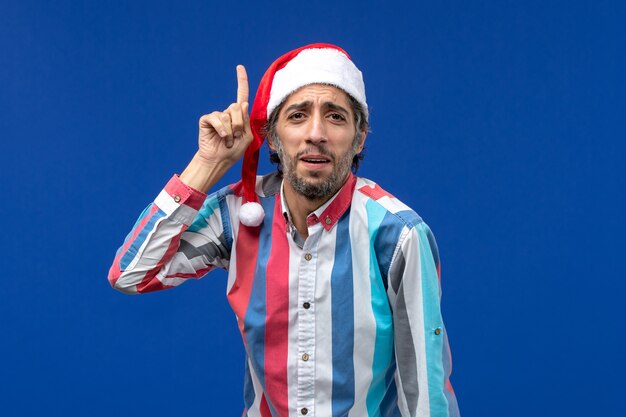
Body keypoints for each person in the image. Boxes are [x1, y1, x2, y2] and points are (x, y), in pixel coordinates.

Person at [108, 43, 460, 417]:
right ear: (272, 137)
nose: (316, 133)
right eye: (297, 116)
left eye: (336, 117)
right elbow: (131, 274)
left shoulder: (399, 236)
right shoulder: (239, 215)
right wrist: (208, 163)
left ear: (359, 138)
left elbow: (426, 394)